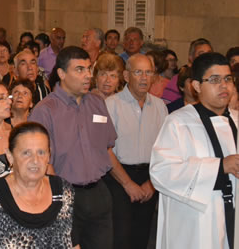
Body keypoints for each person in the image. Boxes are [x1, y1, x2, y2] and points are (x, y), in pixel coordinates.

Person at [29, 46, 117, 249]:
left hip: (99, 192)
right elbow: (42, 165)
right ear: (61, 73)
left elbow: (107, 147)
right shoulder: (45, 111)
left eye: (88, 69)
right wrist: (58, 201)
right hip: (64, 196)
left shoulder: (97, 103)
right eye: (79, 70)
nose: (87, 76)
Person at [150, 52, 238, 249]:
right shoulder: (178, 122)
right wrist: (219, 166)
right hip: (197, 222)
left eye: (227, 79)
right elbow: (161, 172)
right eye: (214, 80)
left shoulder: (237, 119)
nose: (224, 85)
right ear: (196, 86)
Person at [0, 122, 79, 249]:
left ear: (49, 156)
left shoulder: (63, 191)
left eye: (41, 152)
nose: (35, 160)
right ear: (10, 157)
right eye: (26, 153)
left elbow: (74, 244)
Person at [104, 54, 168, 249]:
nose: (144, 78)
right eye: (138, 72)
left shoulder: (160, 106)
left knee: (142, 238)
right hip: (119, 178)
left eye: (149, 72)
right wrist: (128, 184)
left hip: (150, 177)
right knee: (120, 239)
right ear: (126, 75)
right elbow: (105, 149)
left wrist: (152, 184)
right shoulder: (111, 104)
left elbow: (166, 149)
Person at [162, 38, 213, 104]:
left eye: (209, 54)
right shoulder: (179, 79)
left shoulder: (216, 79)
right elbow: (166, 107)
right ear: (191, 58)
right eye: (201, 54)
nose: (206, 57)